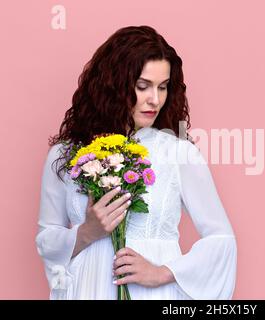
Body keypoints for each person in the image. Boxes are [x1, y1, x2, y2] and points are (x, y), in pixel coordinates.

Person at [35, 25, 237, 299]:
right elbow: (47, 239)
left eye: (163, 87)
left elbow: (222, 240)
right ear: (113, 84)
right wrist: (85, 232)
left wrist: (165, 272)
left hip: (154, 294)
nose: (155, 99)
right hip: (88, 289)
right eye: (143, 86)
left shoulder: (178, 153)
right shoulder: (65, 154)